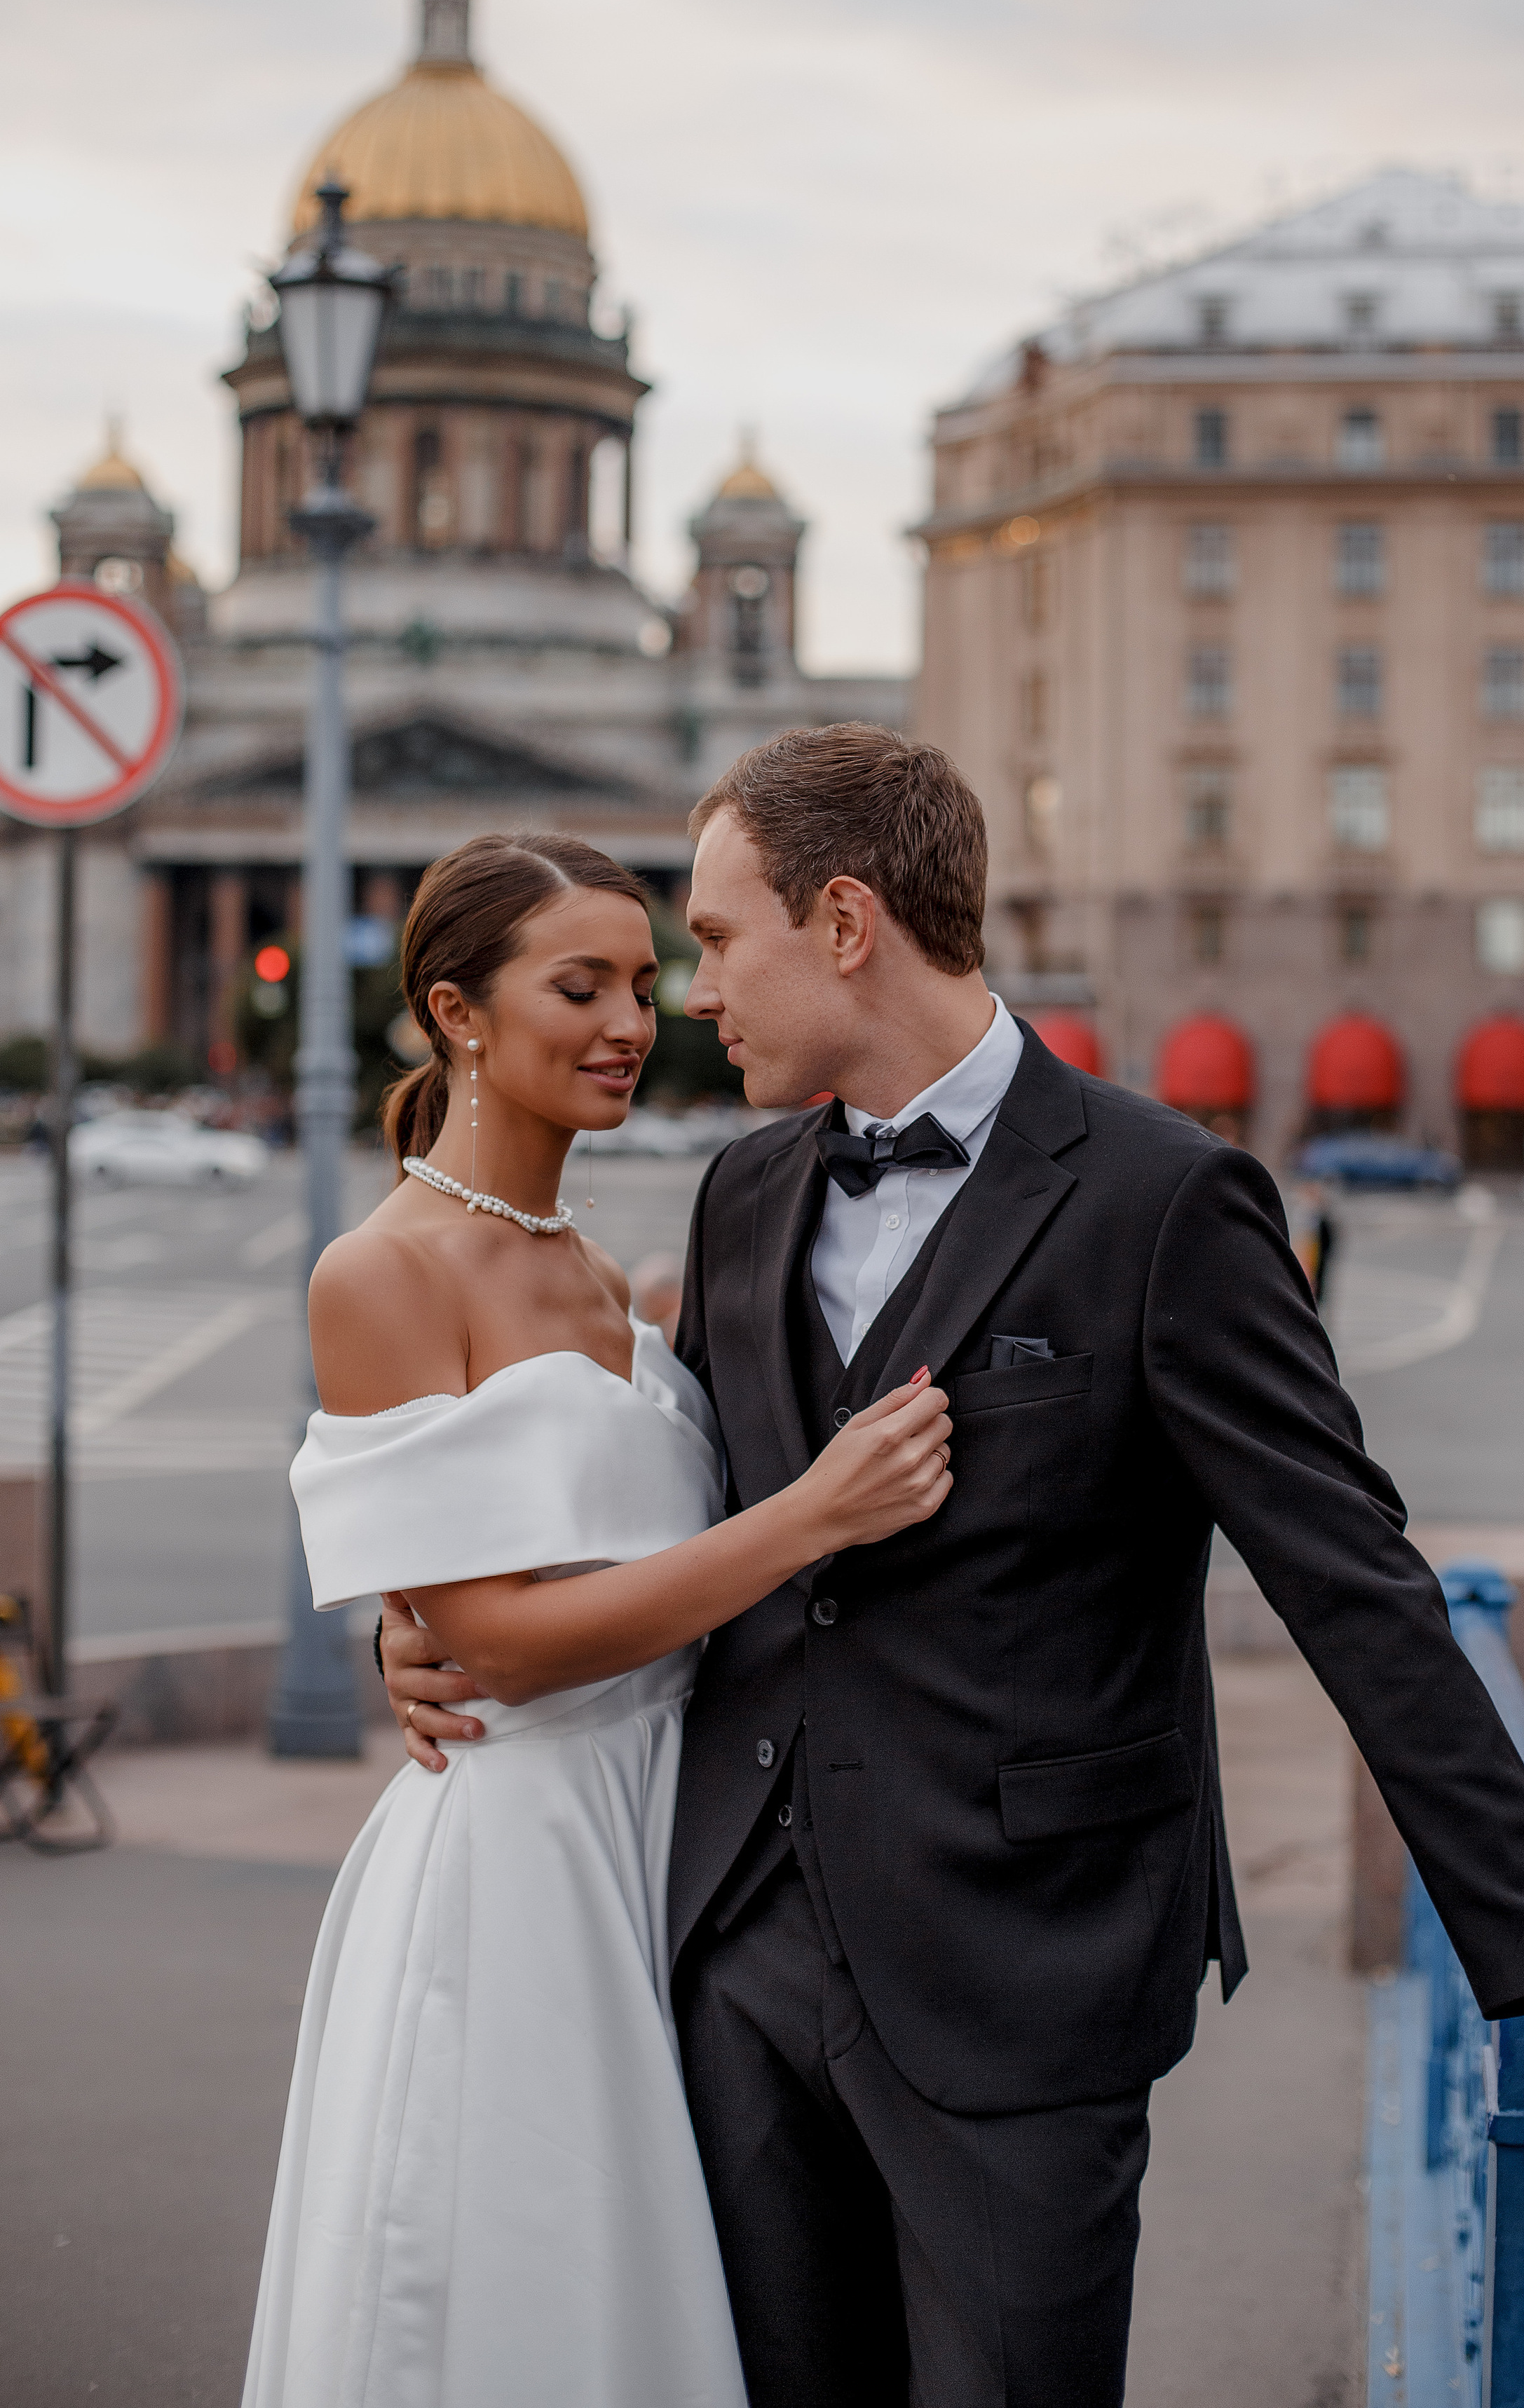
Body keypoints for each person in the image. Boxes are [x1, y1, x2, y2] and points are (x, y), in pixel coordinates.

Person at [386, 730, 1524, 2408]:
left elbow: (1350, 1580)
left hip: (1025, 1977)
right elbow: (660, 1513)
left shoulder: (1166, 1201)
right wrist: (423, 1639)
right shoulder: (741, 1191)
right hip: (735, 1958)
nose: (689, 995)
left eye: (715, 940)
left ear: (844, 921)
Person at [241, 830, 953, 2408]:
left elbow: (557, 1554)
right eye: (582, 986)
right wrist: (810, 1518)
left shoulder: (627, 1281)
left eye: (644, 981)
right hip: (525, 1858)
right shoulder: (381, 1274)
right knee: (523, 2290)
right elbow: (491, 1639)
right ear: (458, 1012)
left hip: (679, 1844)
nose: (635, 1021)